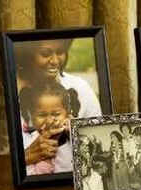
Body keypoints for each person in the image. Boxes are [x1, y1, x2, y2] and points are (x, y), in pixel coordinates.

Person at [15, 39, 102, 170]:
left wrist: (77, 134)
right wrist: (26, 156)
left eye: (60, 52)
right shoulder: (10, 93)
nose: (55, 61)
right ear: (28, 55)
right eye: (45, 54)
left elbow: (99, 144)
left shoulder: (80, 88)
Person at [19, 80, 80, 175]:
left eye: (56, 114)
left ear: (67, 114)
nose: (49, 121)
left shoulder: (73, 134)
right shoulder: (30, 142)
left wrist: (74, 132)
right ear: (32, 115)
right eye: (42, 115)